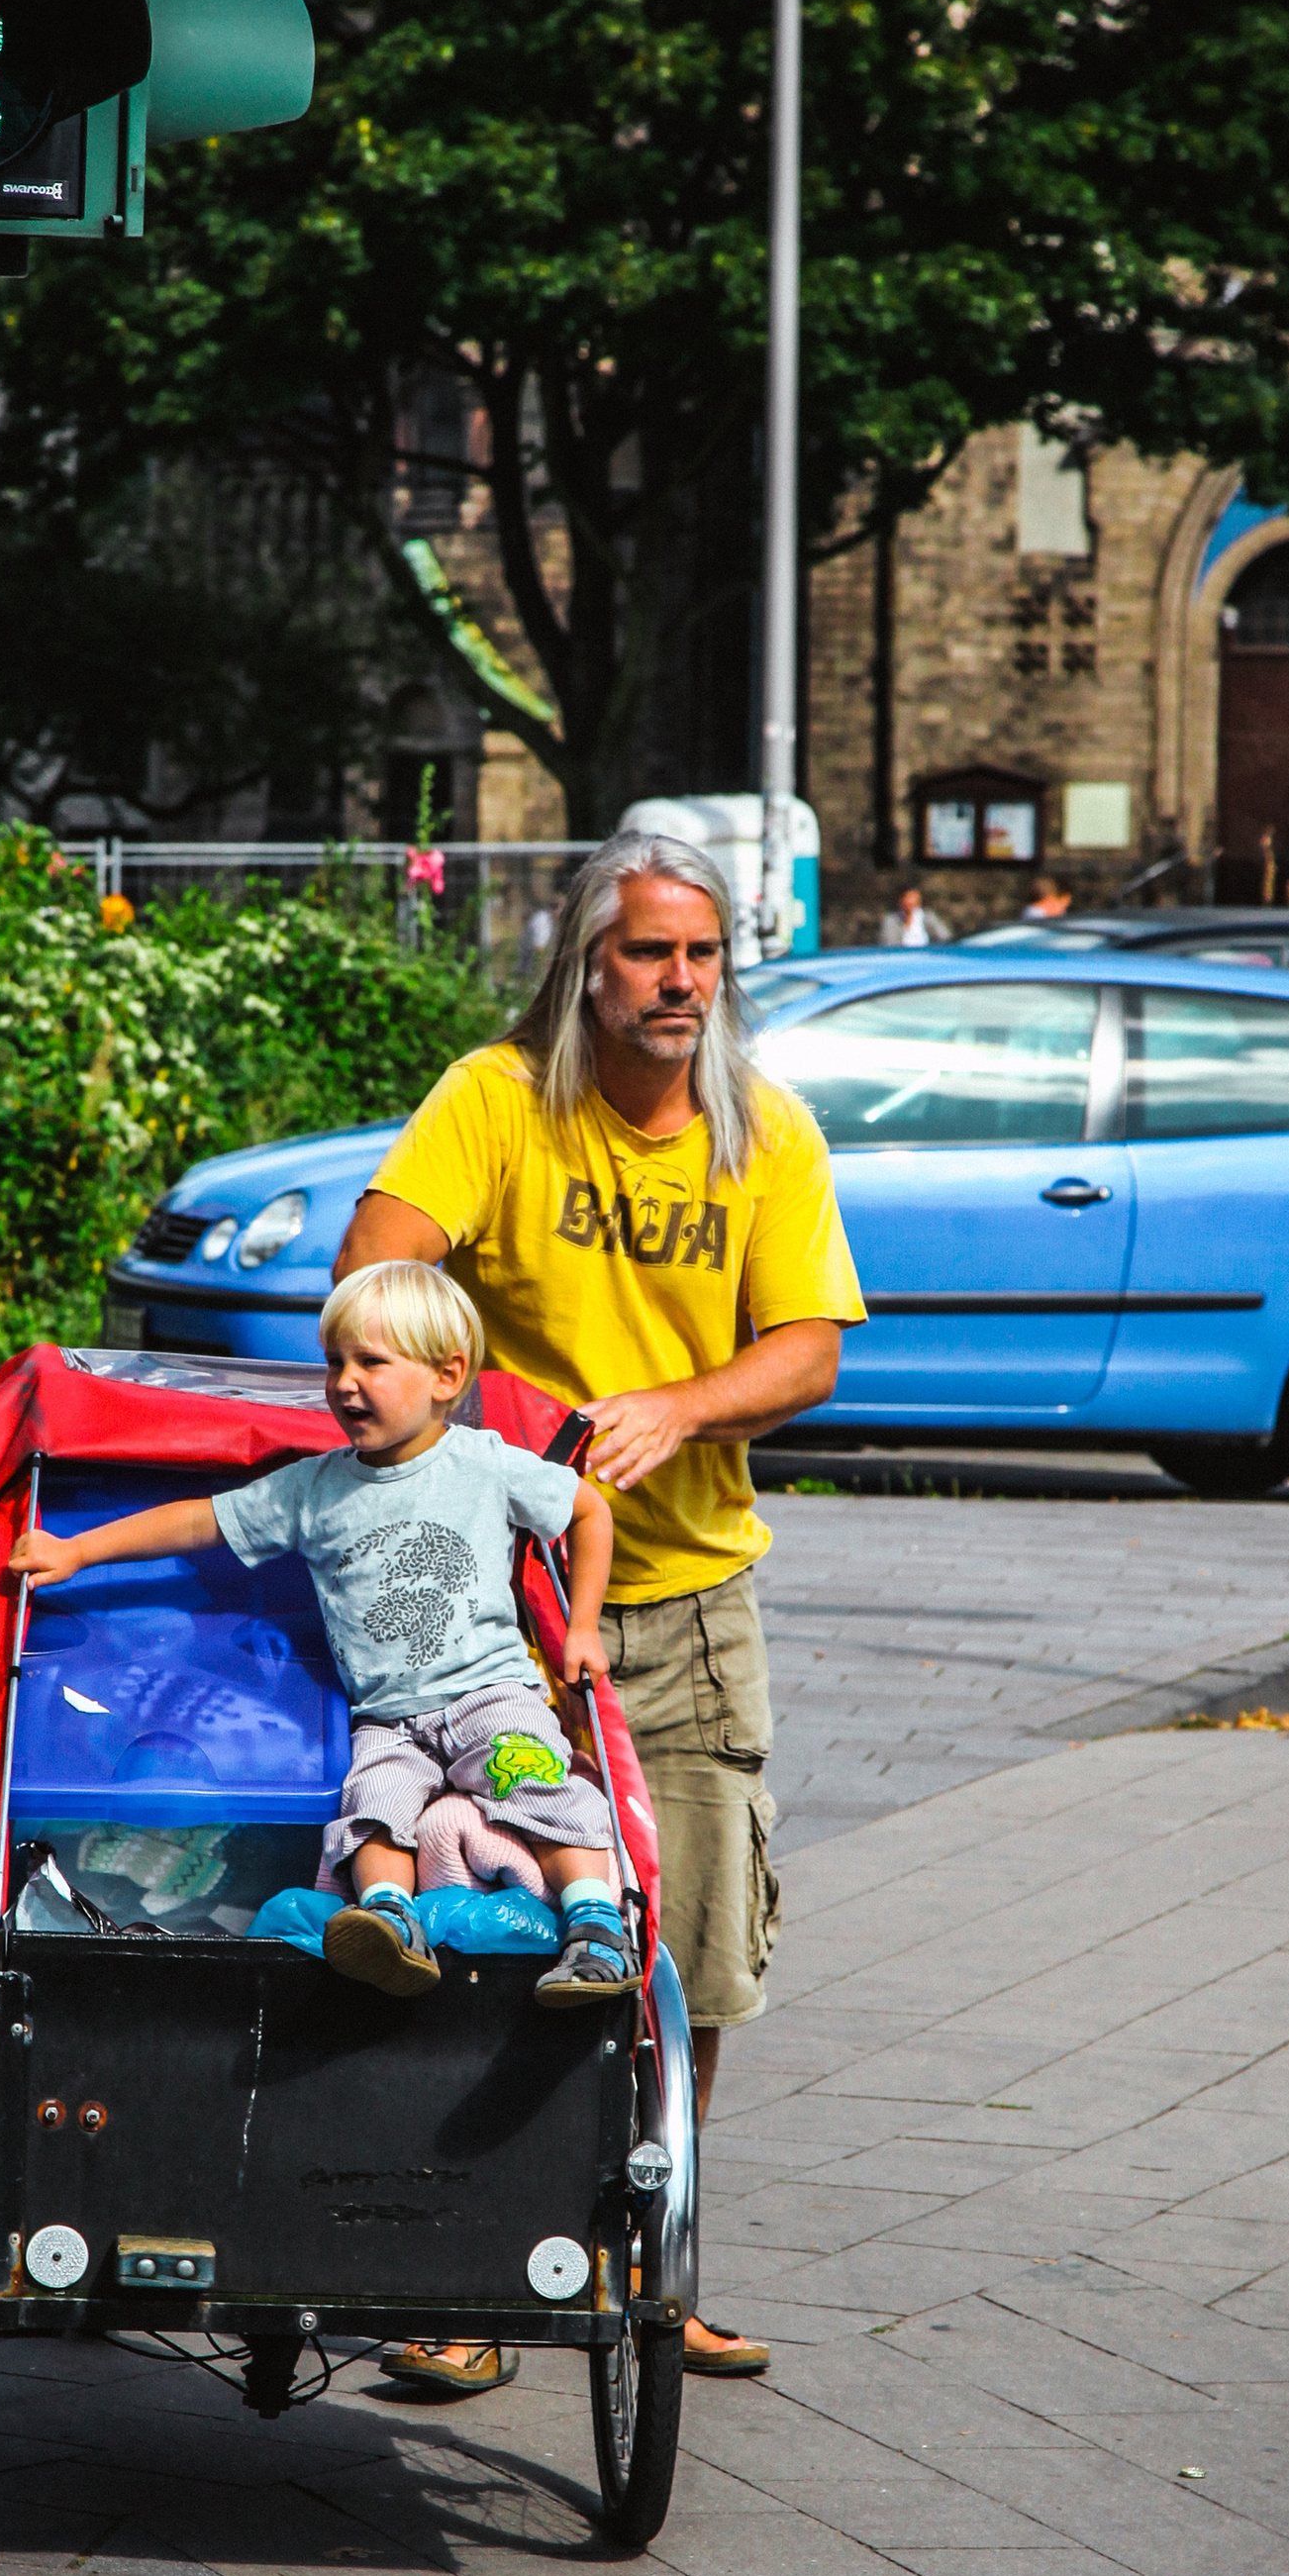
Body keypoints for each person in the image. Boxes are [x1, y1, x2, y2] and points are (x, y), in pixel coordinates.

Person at [335, 827, 865, 2388]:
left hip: (692, 1601)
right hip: (492, 1618)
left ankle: (656, 2261)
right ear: (588, 963)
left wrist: (681, 1407)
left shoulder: (765, 1134)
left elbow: (812, 1346)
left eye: (702, 956)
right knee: (470, 1926)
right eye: (649, 952)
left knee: (693, 1957)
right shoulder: (498, 1102)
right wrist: (489, 1425)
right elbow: (379, 1260)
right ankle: (452, 2278)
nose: (680, 982)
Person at [6, 1260, 637, 2006]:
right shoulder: (315, 1489)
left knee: (536, 1778)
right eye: (335, 1362)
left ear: (447, 1374)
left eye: (371, 1362)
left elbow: (590, 1511)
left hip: (487, 1691)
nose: (344, 1383)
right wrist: (78, 1550)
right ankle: (389, 1924)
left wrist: (584, 1629)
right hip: (384, 1717)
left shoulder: (483, 1463)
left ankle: (596, 1927)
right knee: (370, 1811)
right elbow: (201, 1520)